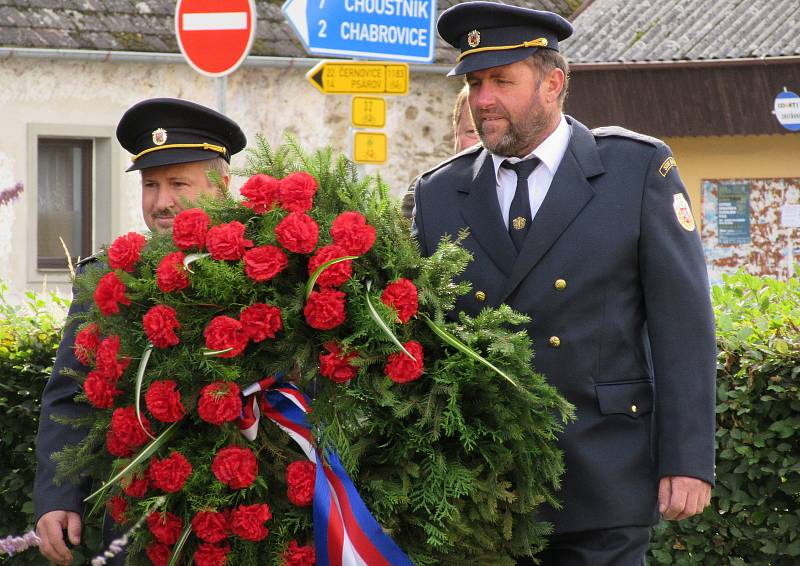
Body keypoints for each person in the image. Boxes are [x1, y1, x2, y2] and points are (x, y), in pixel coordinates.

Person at [412, 3, 716, 564]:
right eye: (475, 83)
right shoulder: (438, 194)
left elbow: (684, 327)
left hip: (605, 475)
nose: (483, 100)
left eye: (502, 81)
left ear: (553, 83)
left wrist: (688, 459)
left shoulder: (635, 170)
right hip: (479, 488)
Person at [33, 98, 247, 565]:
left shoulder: (267, 271)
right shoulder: (108, 278)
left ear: (222, 185)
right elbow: (70, 396)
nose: (161, 202)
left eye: (178, 183)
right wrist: (56, 495)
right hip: (137, 524)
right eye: (151, 185)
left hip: (249, 519)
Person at [401, 84, 479, 219]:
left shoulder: (522, 191)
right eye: (472, 132)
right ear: (455, 133)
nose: (481, 145)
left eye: (489, 133)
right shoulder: (424, 192)